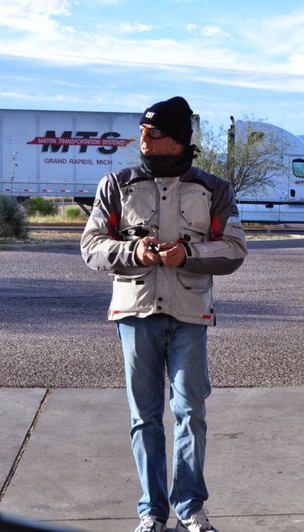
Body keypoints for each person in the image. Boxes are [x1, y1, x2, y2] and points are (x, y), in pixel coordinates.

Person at [80, 96, 248, 532]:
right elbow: (91, 246)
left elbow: (234, 250)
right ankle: (152, 513)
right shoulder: (116, 184)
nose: (143, 139)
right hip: (134, 313)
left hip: (191, 315)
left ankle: (190, 508)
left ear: (177, 141)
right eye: (141, 131)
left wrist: (188, 254)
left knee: (191, 412)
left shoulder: (215, 189)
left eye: (152, 133)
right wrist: (133, 251)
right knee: (145, 417)